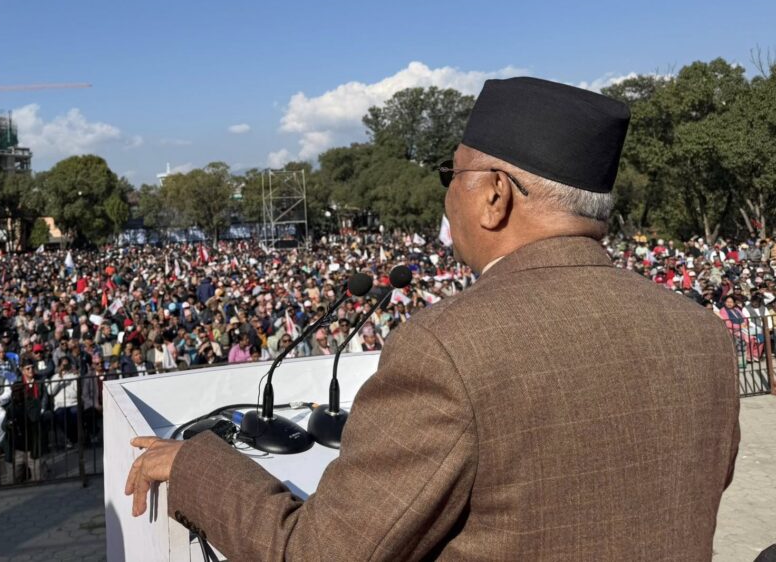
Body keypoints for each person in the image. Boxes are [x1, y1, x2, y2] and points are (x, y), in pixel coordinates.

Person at [125, 76, 740, 561]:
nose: (447, 195)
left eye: (453, 174)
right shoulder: (702, 337)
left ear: (495, 194)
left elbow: (319, 554)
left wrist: (195, 463)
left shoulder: (448, 348)